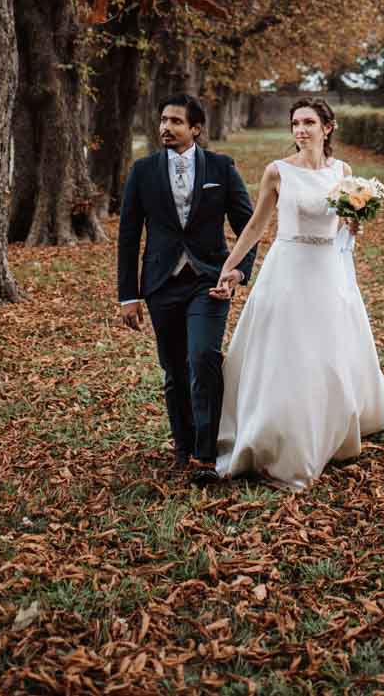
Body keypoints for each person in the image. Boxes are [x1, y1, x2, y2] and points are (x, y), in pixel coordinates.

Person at [210, 98, 384, 491]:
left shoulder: (343, 172)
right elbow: (256, 225)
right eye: (295, 124)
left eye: (308, 122)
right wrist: (229, 266)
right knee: (287, 352)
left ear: (327, 127)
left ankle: (329, 426)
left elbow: (342, 225)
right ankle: (277, 435)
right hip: (288, 268)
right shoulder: (278, 171)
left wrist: (353, 224)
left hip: (328, 270)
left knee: (327, 351)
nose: (300, 130)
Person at [117, 93, 256, 485]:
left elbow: (248, 227)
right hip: (161, 284)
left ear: (196, 128)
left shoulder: (221, 167)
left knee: (203, 357)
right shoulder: (143, 171)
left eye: (176, 121)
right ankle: (183, 446)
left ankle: (206, 455)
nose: (166, 127)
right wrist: (128, 295)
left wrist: (237, 272)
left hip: (208, 281)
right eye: (163, 120)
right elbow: (129, 235)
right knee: (175, 368)